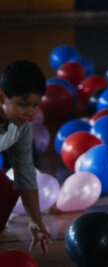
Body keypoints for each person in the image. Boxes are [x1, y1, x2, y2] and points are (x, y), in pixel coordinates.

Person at [0, 61, 53, 255]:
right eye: (23, 104)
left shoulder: (21, 129)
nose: (30, 112)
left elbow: (25, 175)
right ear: (2, 97)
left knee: (6, 191)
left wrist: (35, 221)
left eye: (35, 105)